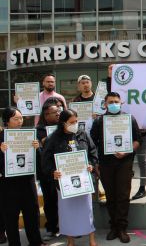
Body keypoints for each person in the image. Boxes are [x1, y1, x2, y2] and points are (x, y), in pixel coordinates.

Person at [90, 92, 141, 243]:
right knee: (110, 196)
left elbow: (138, 140)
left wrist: (126, 151)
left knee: (123, 196)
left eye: (116, 101)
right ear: (105, 104)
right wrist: (96, 163)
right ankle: (114, 227)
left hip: (124, 163)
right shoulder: (99, 121)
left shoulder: (129, 119)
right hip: (105, 164)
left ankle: (122, 228)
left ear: (121, 103)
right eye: (110, 101)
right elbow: (92, 143)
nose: (114, 104)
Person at [43, 109, 98, 246]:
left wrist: (91, 165)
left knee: (87, 210)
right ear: (63, 123)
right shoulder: (53, 139)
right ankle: (70, 241)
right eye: (72, 122)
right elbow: (46, 161)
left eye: (76, 121)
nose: (75, 124)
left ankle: (92, 240)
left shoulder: (83, 134)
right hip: (64, 183)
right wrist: (53, 172)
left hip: (84, 182)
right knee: (67, 213)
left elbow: (93, 152)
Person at [0, 107, 46, 246]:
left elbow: (40, 160)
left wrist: (38, 149)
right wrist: (1, 152)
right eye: (16, 118)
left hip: (27, 181)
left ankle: (36, 241)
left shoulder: (29, 135)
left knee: (32, 213)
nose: (20, 121)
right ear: (6, 121)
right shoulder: (1, 138)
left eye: (21, 118)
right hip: (8, 184)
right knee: (11, 216)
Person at [107, 65, 146, 201]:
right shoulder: (123, 94)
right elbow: (112, 93)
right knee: (125, 164)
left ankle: (143, 188)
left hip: (141, 134)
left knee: (142, 162)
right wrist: (110, 76)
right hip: (121, 132)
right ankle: (123, 190)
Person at [36, 101, 61, 241]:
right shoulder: (38, 131)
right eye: (55, 112)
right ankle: (51, 228)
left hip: (62, 170)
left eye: (58, 111)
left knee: (63, 201)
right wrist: (41, 144)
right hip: (46, 173)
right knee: (50, 201)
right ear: (46, 115)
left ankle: (67, 226)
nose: (58, 114)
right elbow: (39, 154)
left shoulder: (62, 127)